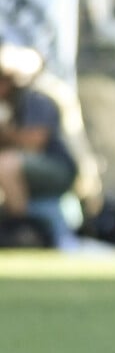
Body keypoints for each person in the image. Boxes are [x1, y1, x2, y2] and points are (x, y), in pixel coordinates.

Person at [0, 42, 79, 241]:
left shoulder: (37, 97)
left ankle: (22, 228)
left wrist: (7, 134)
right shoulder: (10, 105)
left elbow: (36, 141)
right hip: (31, 169)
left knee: (5, 164)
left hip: (59, 167)